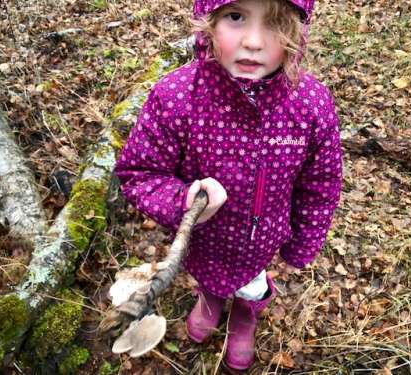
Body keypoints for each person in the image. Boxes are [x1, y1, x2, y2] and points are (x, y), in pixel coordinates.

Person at [115, 0, 342, 370]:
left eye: (274, 23)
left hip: (263, 238)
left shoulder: (310, 104)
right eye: (235, 17)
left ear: (297, 33)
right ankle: (210, 300)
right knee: (208, 275)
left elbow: (321, 183)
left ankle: (244, 314)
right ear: (207, 23)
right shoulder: (177, 97)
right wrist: (183, 199)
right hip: (204, 239)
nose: (253, 41)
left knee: (250, 282)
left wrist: (304, 241)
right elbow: (139, 172)